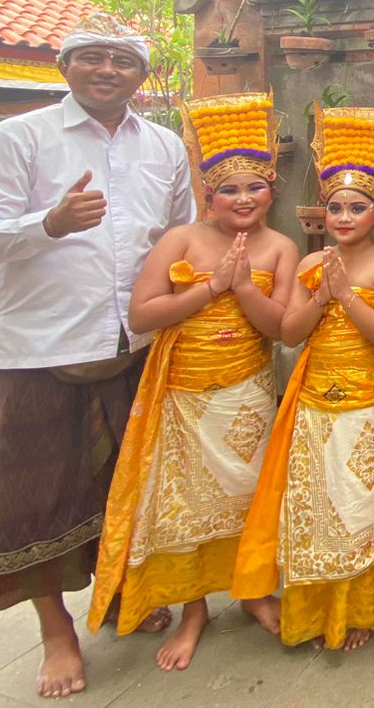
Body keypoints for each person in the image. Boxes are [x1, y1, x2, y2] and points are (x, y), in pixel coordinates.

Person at [0, 14, 196, 700]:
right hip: (42, 348)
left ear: (141, 76)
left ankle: (124, 593)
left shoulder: (165, 147)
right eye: (91, 57)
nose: (107, 70)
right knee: (32, 497)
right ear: (65, 66)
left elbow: (178, 237)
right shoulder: (18, 139)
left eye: (122, 61)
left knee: (128, 486)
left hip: (137, 345)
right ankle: (56, 631)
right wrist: (48, 225)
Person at [87, 93, 297, 670]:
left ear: (271, 190)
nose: (243, 199)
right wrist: (210, 287)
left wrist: (245, 288)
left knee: (247, 499)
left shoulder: (280, 248)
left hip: (247, 393)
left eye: (254, 187)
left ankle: (251, 589)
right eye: (229, 189)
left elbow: (281, 329)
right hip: (182, 395)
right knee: (183, 509)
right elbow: (142, 315)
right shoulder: (181, 240)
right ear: (209, 195)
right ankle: (195, 609)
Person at [232, 104, 374, 651]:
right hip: (314, 406)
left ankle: (359, 611)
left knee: (359, 508)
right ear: (323, 214)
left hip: (366, 405)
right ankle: (310, 607)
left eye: (357, 207)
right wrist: (319, 295)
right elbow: (288, 332)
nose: (345, 217)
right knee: (312, 510)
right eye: (336, 207)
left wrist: (345, 295)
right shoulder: (311, 265)